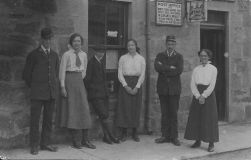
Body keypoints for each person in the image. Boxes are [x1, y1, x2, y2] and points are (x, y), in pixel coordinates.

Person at [22, 27, 59, 155]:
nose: (48, 41)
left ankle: (45, 143)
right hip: (37, 94)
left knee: (48, 120)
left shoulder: (54, 55)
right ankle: (34, 146)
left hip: (51, 94)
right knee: (35, 120)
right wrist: (35, 87)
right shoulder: (33, 55)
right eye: (46, 39)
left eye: (50, 39)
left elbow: (56, 73)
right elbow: (26, 75)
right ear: (41, 39)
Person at [58, 33, 95, 149]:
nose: (77, 43)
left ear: (81, 43)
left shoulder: (84, 55)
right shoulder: (66, 55)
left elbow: (84, 70)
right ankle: (76, 140)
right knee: (73, 110)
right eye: (74, 41)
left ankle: (86, 140)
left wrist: (79, 79)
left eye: (79, 41)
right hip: (69, 82)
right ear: (71, 43)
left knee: (84, 109)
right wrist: (63, 86)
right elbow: (62, 71)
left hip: (79, 82)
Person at [184, 49, 219, 152]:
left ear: (209, 57)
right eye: (201, 56)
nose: (203, 58)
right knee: (197, 117)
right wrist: (197, 95)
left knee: (209, 118)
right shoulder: (196, 69)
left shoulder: (213, 69)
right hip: (197, 95)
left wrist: (204, 95)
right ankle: (197, 140)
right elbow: (192, 84)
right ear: (199, 57)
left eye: (205, 56)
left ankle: (211, 143)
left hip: (208, 95)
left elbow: (212, 85)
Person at [84, 47, 120, 144]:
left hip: (103, 94)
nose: (102, 53)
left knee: (103, 116)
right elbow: (87, 80)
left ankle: (106, 137)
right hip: (95, 95)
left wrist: (106, 91)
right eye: (100, 51)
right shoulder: (91, 63)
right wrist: (94, 90)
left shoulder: (101, 62)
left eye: (103, 52)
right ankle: (112, 136)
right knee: (104, 114)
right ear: (95, 52)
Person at [154, 35, 183, 146]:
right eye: (168, 44)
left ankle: (174, 137)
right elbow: (157, 67)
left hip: (174, 90)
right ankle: (164, 135)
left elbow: (179, 70)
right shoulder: (160, 55)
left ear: (175, 45)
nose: (170, 46)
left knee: (173, 113)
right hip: (163, 89)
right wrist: (170, 67)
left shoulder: (179, 57)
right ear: (165, 44)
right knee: (164, 113)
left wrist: (164, 68)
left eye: (172, 44)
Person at [116, 39, 146, 142]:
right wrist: (125, 86)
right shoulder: (123, 58)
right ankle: (123, 133)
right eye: (129, 45)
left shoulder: (141, 59)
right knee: (124, 107)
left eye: (132, 45)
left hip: (136, 83)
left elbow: (142, 74)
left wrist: (137, 87)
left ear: (136, 46)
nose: (130, 47)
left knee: (135, 107)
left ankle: (134, 132)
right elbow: (119, 73)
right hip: (125, 83)